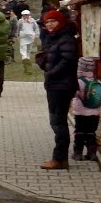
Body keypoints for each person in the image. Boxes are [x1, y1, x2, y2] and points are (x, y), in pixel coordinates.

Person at [39, 10, 79, 170]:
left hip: (62, 85)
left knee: (58, 121)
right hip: (56, 84)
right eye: (47, 22)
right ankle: (60, 158)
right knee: (56, 121)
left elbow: (68, 60)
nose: (49, 24)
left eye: (52, 21)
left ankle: (59, 159)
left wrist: (51, 72)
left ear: (60, 22)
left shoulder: (66, 38)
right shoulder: (56, 37)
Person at [70, 57, 101, 162]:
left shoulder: (79, 81)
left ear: (80, 67)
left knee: (79, 132)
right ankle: (92, 153)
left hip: (80, 113)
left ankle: (78, 153)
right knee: (91, 133)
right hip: (94, 112)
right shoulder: (97, 81)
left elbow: (73, 94)